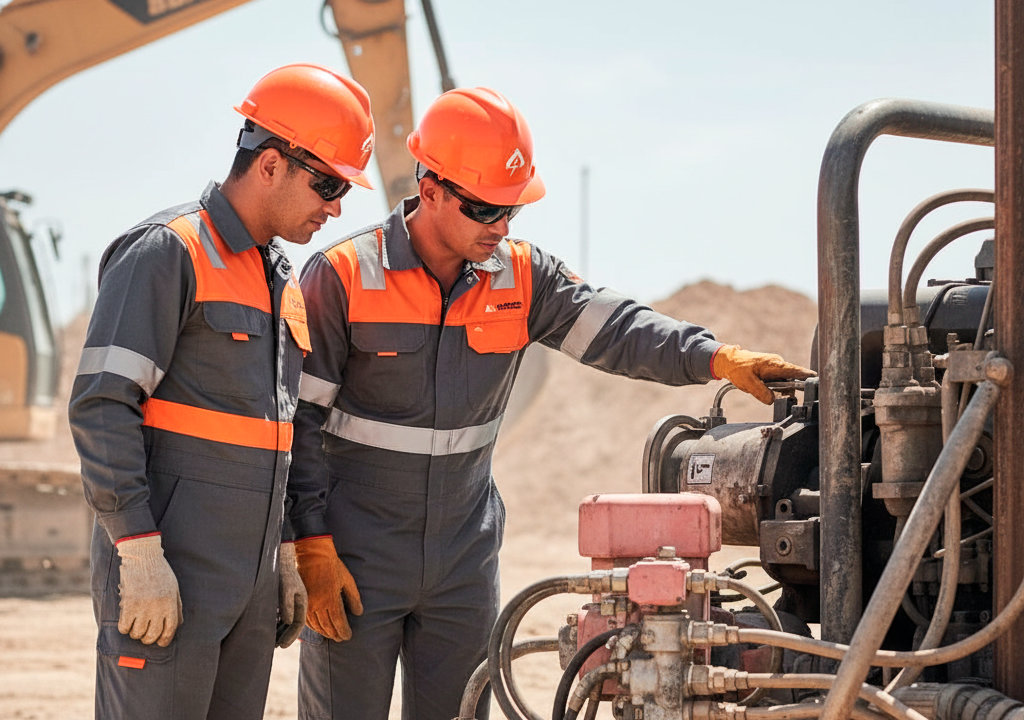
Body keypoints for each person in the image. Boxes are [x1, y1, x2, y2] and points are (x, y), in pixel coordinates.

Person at [287, 87, 814, 720]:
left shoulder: (521, 276)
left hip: (461, 560)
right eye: (485, 208)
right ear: (430, 190)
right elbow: (298, 424)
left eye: (511, 210)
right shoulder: (342, 276)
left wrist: (713, 357)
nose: (501, 227)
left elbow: (618, 329)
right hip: (355, 558)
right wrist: (309, 546)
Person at [67, 63, 375, 720]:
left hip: (247, 594)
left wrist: (287, 552)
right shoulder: (166, 252)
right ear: (270, 165)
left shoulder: (282, 283)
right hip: (166, 582)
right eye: (326, 182)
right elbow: (101, 404)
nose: (336, 206)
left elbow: (279, 435)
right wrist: (137, 549)